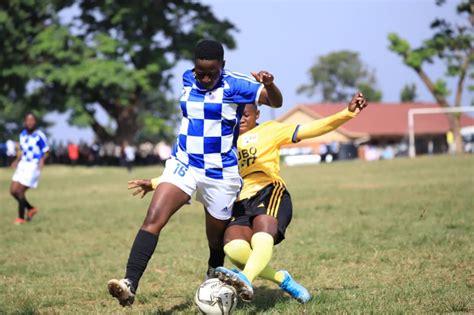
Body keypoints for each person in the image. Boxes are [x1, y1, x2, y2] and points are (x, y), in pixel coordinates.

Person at [128, 92, 368, 304]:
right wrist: (154, 183)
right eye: (238, 114)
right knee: (234, 249)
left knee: (262, 236)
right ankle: (281, 278)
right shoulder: (221, 141)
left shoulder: (270, 130)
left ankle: (245, 279)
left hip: (269, 192)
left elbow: (311, 129)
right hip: (238, 203)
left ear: (257, 115)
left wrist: (347, 113)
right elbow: (198, 174)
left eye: (247, 113)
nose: (241, 118)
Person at [107, 39, 283, 307]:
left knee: (215, 240)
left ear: (222, 66)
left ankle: (213, 273)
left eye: (212, 72)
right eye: (200, 72)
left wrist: (269, 84)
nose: (205, 78)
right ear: (194, 68)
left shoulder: (236, 84)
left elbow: (275, 102)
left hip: (220, 174)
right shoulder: (188, 79)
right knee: (154, 217)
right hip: (184, 164)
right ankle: (129, 283)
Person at [10, 112, 49, 225]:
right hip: (23, 164)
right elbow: (22, 151)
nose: (30, 122)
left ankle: (21, 218)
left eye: (32, 120)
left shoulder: (39, 135)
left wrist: (42, 159)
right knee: (13, 191)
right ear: (25, 122)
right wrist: (16, 161)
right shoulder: (22, 134)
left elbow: (46, 151)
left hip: (33, 165)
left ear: (35, 122)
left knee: (20, 191)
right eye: (28, 120)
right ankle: (31, 208)